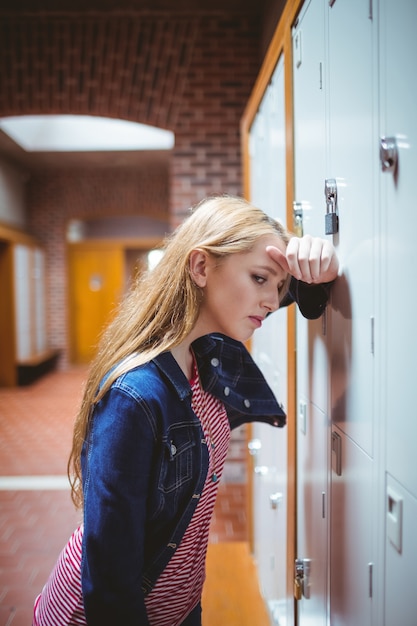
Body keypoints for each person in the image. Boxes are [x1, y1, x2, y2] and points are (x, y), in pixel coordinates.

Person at [32, 195, 339, 626]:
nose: (272, 300)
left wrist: (318, 264)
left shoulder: (208, 350)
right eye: (260, 279)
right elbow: (109, 579)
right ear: (199, 267)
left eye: (279, 287)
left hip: (178, 607)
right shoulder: (135, 398)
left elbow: (295, 295)